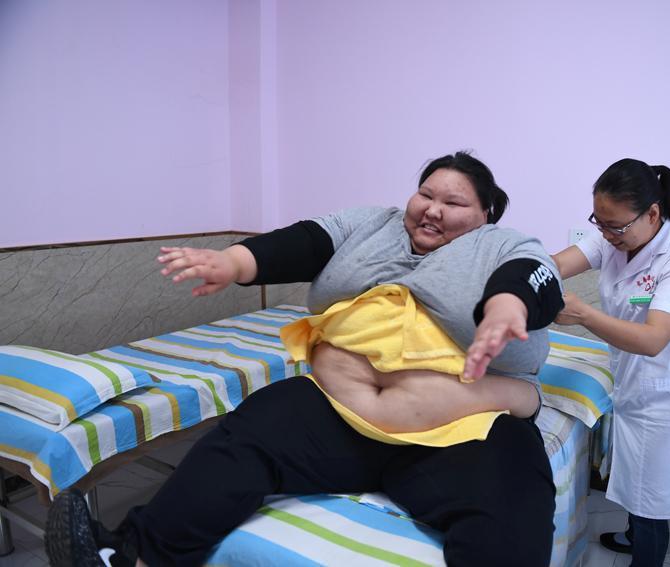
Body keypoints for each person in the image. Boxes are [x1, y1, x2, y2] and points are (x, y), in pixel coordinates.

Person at [45, 151, 565, 567]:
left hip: (460, 433)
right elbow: (306, 241)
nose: (433, 208)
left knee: (513, 499)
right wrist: (233, 262)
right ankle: (131, 558)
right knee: (247, 432)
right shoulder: (373, 225)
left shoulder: (502, 245)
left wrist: (506, 307)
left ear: (485, 214)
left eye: (453, 202)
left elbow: (530, 276)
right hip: (337, 417)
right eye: (426, 193)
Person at [551, 158, 670, 567]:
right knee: (636, 481)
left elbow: (653, 339)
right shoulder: (613, 238)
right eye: (599, 222)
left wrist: (583, 314)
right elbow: (556, 264)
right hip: (634, 385)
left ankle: (646, 557)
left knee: (651, 503)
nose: (606, 234)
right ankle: (631, 535)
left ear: (652, 214)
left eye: (615, 226)